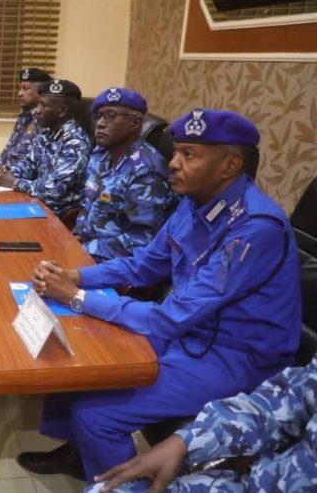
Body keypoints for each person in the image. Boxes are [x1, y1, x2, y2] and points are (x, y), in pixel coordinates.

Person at [17, 109, 302, 483]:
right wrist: (76, 276)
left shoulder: (254, 228)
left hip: (234, 357)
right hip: (190, 334)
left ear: (230, 166)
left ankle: (124, 485)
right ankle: (79, 454)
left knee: (95, 414)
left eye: (189, 155)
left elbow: (173, 316)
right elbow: (144, 264)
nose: (173, 162)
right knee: (80, 351)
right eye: (176, 151)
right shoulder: (194, 203)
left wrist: (77, 298)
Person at [89, 354, 317, 492]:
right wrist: (186, 441)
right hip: (260, 483)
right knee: (103, 489)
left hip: (235, 364)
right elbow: (285, 401)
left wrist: (86, 300)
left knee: (95, 414)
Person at [73, 87, 176, 262]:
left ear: (135, 123)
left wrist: (83, 249)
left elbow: (141, 240)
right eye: (99, 116)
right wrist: (77, 234)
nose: (100, 123)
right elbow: (88, 203)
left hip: (115, 262)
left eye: (111, 116)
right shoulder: (100, 154)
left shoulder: (146, 171)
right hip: (85, 248)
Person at [0, 79, 91, 218]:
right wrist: (6, 172)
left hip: (58, 215)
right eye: (39, 104)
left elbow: (54, 190)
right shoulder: (46, 133)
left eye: (44, 105)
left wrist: (15, 182)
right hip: (36, 203)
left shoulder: (75, 142)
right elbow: (29, 165)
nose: (37, 110)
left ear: (62, 110)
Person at [0, 67, 52, 167]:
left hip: (20, 174)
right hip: (6, 171)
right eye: (20, 88)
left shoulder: (46, 120)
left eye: (26, 88)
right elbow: (9, 150)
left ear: (41, 92)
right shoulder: (25, 116)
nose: (19, 93)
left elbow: (34, 163)